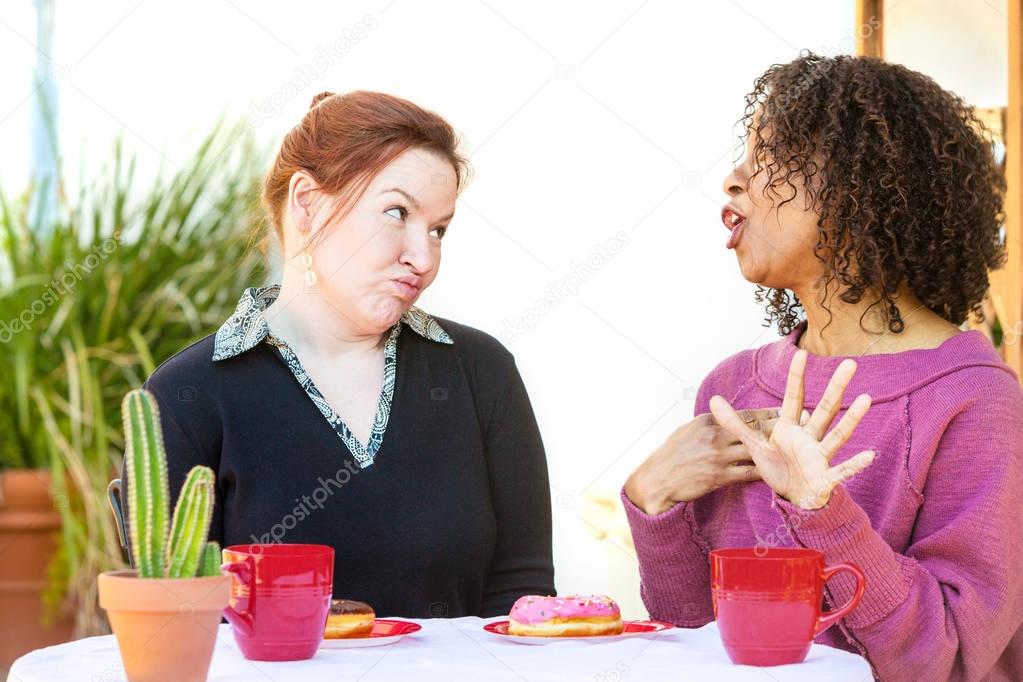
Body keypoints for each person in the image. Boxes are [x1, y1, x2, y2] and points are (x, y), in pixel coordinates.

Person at [623, 53, 1023, 680]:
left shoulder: (975, 401)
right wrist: (652, 503)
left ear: (862, 183)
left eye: (768, 156)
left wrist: (823, 510)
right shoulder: (732, 390)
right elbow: (706, 647)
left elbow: (946, 660)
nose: (732, 180)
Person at [121, 90, 555, 618]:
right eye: (397, 212)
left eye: (439, 230)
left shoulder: (481, 371)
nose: (423, 256)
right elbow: (176, 626)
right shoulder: (190, 395)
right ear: (307, 203)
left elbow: (523, 599)